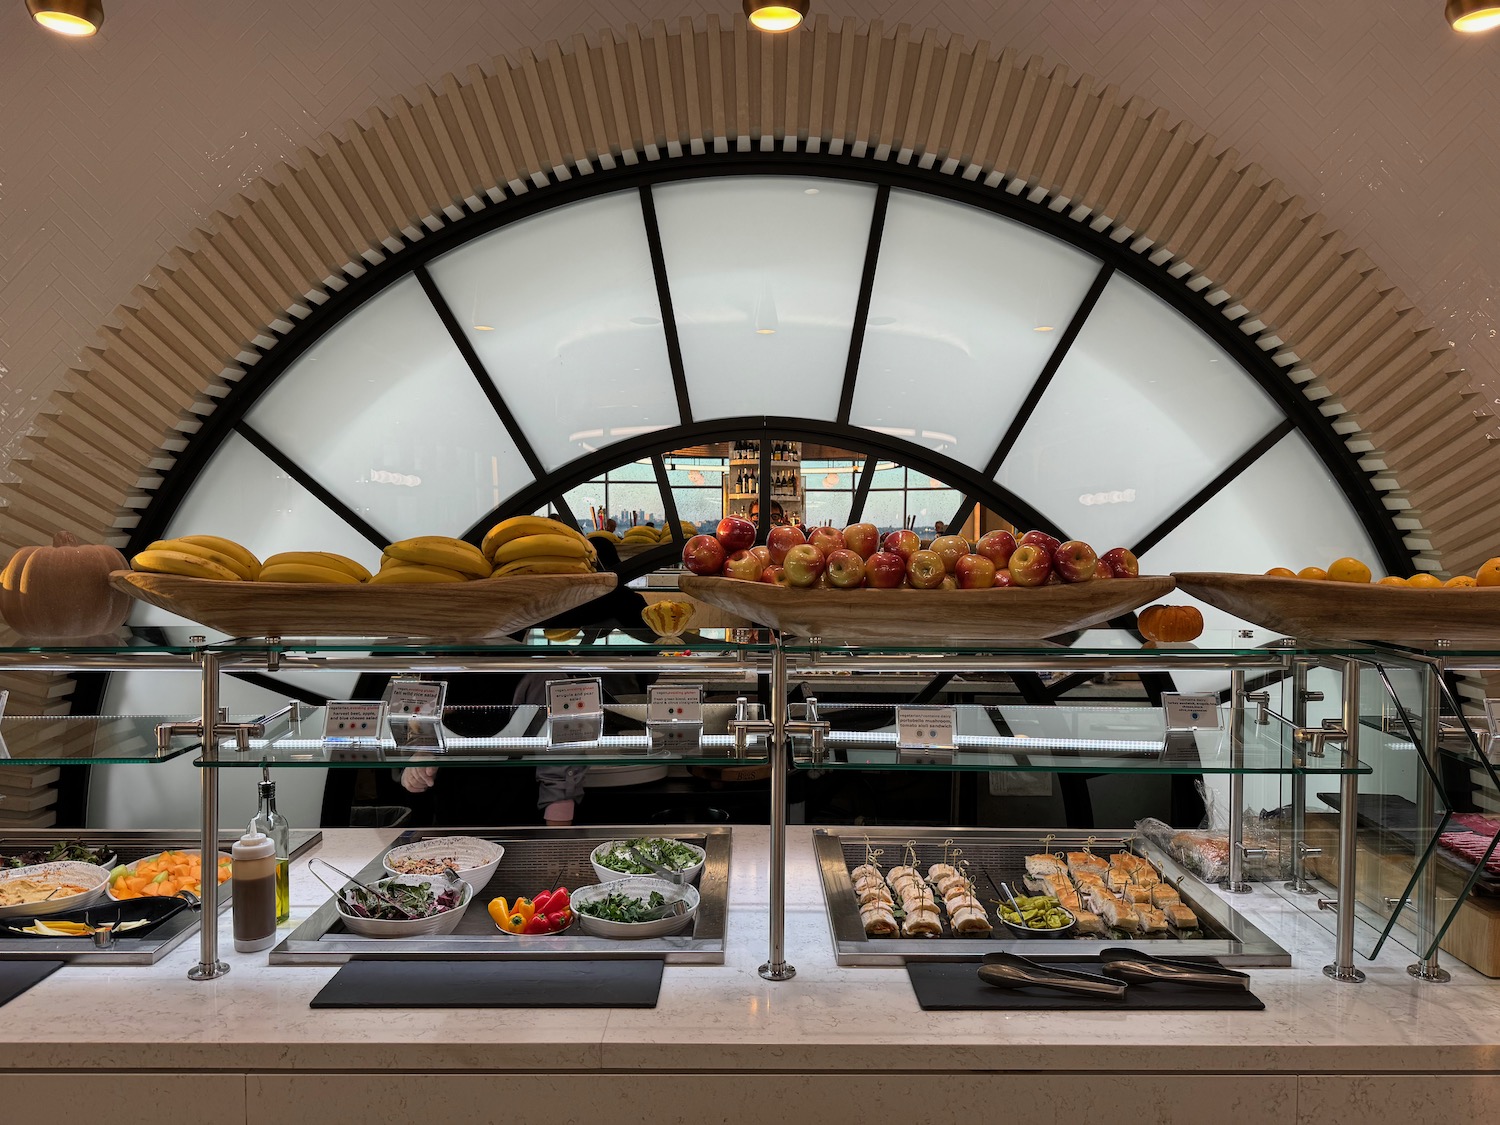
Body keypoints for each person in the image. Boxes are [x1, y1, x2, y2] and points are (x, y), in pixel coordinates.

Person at [398, 536, 651, 827]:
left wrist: (558, 816)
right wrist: (416, 760)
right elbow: (417, 730)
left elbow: (562, 751)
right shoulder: (434, 670)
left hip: (519, 815)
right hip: (446, 814)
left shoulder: (537, 676)